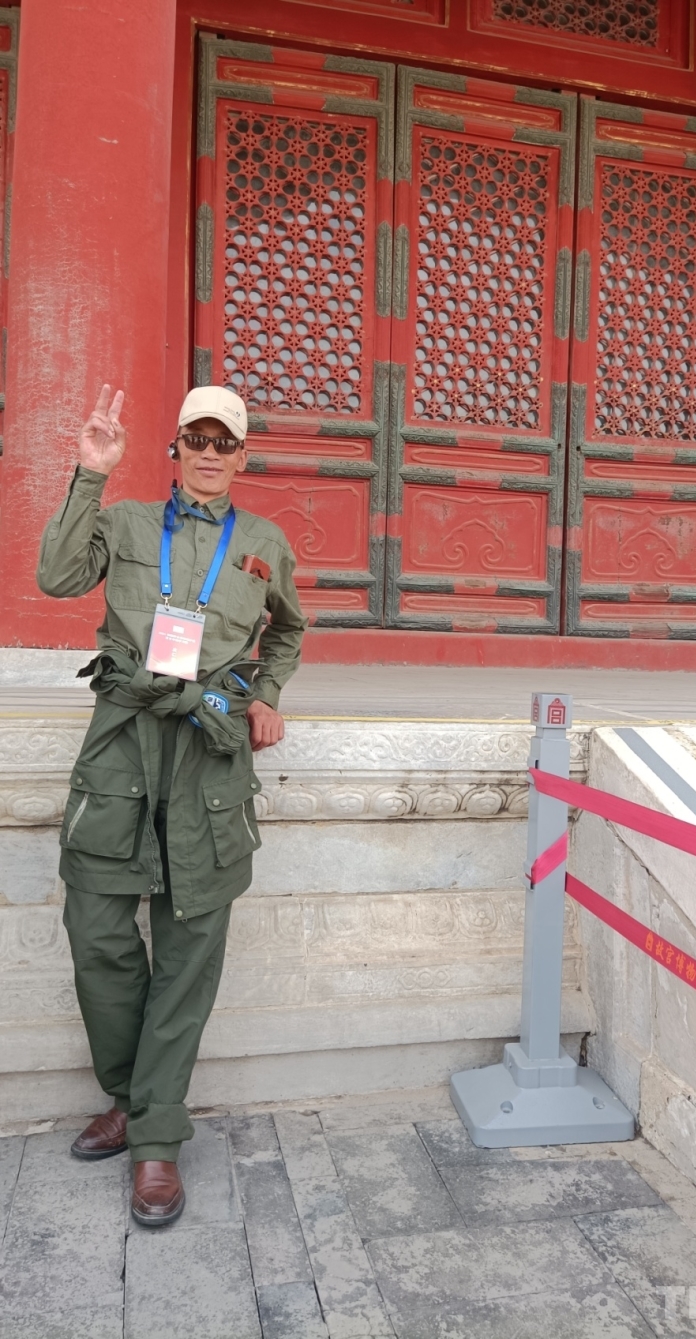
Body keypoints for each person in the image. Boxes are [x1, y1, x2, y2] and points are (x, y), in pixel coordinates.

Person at [36, 384, 306, 1226]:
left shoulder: (263, 542)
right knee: (97, 931)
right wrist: (90, 472)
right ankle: (131, 1095)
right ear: (175, 447)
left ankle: (154, 1137)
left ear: (243, 455)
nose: (210, 453)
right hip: (122, 740)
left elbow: (288, 629)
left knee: (189, 949)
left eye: (225, 441)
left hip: (208, 749)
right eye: (197, 437)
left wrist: (267, 694)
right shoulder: (124, 524)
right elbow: (55, 576)